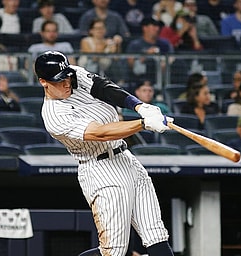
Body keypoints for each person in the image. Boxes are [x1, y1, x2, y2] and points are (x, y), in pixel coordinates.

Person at [33, 50, 175, 256]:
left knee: (157, 238)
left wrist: (140, 107)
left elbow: (105, 87)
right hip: (100, 171)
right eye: (59, 80)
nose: (66, 83)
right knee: (114, 251)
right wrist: (143, 123)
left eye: (67, 77)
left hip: (127, 160)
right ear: (43, 82)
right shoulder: (53, 115)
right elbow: (100, 133)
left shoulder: (74, 76)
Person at [125, 17, 173, 81]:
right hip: (140, 78)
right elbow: (130, 64)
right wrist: (146, 55)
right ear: (145, 28)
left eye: (158, 26)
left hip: (160, 77)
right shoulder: (135, 45)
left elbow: (172, 58)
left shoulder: (165, 44)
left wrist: (165, 62)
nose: (157, 29)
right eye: (154, 26)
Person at [78, 18, 124, 82]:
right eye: (97, 28)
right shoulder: (86, 41)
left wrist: (118, 45)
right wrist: (104, 44)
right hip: (88, 70)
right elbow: (94, 58)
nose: (100, 30)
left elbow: (116, 59)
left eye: (102, 28)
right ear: (91, 31)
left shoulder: (109, 42)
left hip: (104, 72)